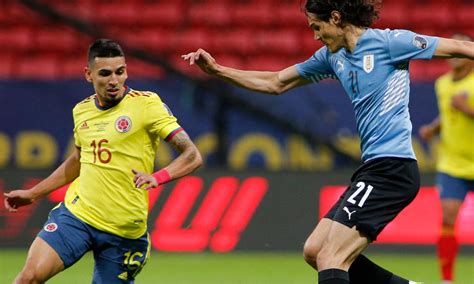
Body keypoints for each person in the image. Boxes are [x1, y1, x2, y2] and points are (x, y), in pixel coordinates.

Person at [182, 0, 474, 283]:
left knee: (331, 257)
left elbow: (460, 47)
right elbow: (276, 82)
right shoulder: (330, 57)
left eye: (316, 26)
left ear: (336, 18)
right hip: (373, 168)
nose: (315, 35)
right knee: (315, 251)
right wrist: (218, 70)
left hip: (393, 169)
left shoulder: (390, 43)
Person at [4, 39, 202, 283]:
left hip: (124, 232)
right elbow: (78, 159)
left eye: (120, 72)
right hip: (77, 216)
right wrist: (34, 193)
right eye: (105, 73)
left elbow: (192, 155)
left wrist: (158, 176)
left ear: (126, 70)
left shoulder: (147, 104)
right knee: (28, 277)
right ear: (88, 75)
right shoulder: (82, 111)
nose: (114, 80)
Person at [418, 33, 474, 284]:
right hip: (452, 164)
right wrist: (434, 128)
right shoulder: (442, 83)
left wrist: (467, 110)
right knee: (449, 218)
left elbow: (461, 112)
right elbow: (447, 114)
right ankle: (447, 280)